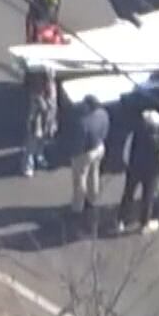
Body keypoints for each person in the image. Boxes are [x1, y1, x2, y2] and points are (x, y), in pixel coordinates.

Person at [117, 108, 159, 234]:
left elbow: (126, 153)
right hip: (152, 173)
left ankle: (121, 221)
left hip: (134, 169)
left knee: (128, 194)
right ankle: (144, 224)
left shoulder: (134, 135)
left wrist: (129, 165)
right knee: (148, 197)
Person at [62, 92, 111, 225]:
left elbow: (79, 143)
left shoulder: (83, 122)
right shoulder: (103, 114)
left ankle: (78, 206)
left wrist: (74, 155)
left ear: (88, 106)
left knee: (80, 179)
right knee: (94, 173)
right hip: (99, 147)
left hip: (85, 153)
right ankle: (92, 199)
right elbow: (105, 131)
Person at [22, 63, 59, 177]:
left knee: (43, 138)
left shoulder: (52, 85)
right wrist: (45, 104)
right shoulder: (38, 84)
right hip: (37, 117)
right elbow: (38, 100)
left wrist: (53, 119)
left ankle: (39, 155)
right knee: (33, 139)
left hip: (48, 116)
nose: (52, 74)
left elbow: (54, 102)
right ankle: (28, 164)